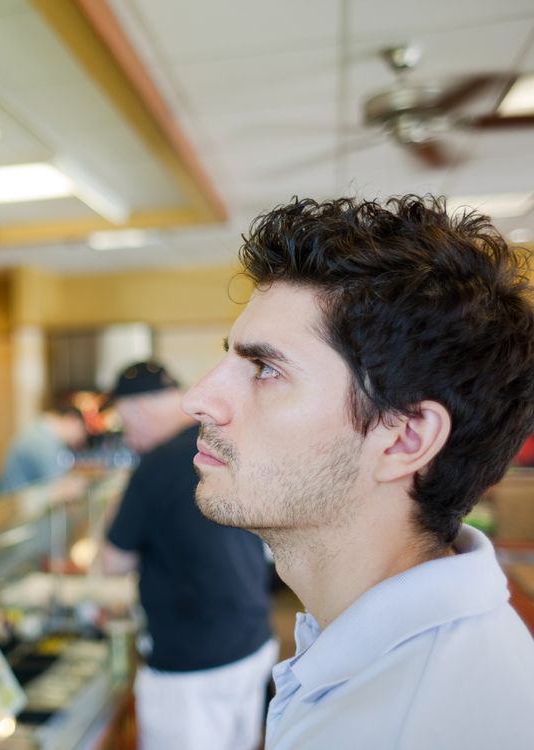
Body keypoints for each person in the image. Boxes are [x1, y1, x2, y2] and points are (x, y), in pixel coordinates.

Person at [182, 196, 534, 749]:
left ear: (405, 438)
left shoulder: (414, 727)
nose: (198, 399)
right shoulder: (370, 649)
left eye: (266, 368)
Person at [100, 360, 276, 750]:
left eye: (126, 424)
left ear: (139, 411)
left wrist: (116, 506)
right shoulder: (221, 441)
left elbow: (113, 564)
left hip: (192, 665)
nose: (128, 437)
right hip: (252, 638)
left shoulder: (154, 466)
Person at [0, 404, 87, 491]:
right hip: (18, 502)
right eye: (81, 431)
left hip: (21, 499)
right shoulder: (43, 441)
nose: (81, 440)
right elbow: (58, 486)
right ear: (72, 420)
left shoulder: (40, 433)